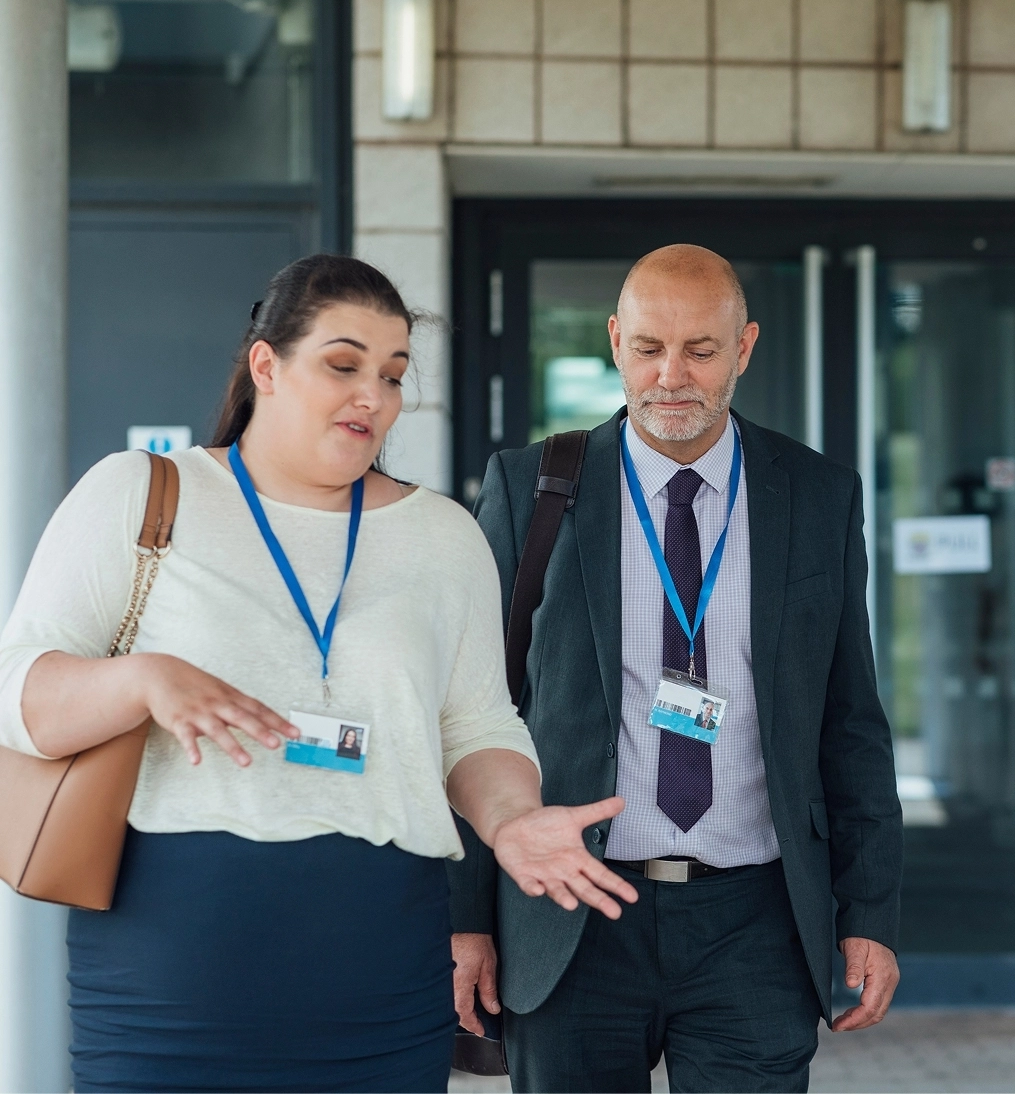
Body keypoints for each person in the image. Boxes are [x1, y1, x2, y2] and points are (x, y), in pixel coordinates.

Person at [0, 254, 636, 1093]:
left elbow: (475, 724)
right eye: (343, 366)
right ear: (266, 365)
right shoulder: (141, 494)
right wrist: (143, 680)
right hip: (170, 968)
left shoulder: (443, 536)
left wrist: (511, 818)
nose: (373, 396)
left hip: (381, 968)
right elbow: (20, 698)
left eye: (393, 374)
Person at [448, 243, 903, 1092]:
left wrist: (869, 910)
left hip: (756, 919)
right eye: (650, 347)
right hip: (571, 907)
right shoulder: (533, 489)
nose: (672, 376)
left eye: (700, 350)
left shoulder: (816, 494)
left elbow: (851, 720)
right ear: (616, 341)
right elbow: (476, 710)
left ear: (745, 347)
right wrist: (466, 916)